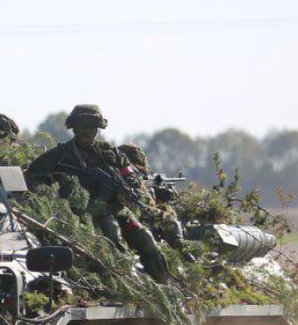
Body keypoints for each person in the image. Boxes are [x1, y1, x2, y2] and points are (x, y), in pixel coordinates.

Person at [25, 105, 172, 283]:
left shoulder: (112, 154)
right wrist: (57, 195)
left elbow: (131, 178)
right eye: (83, 128)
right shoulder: (59, 156)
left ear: (98, 129)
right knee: (111, 236)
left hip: (114, 209)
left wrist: (129, 193)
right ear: (75, 129)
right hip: (77, 216)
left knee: (146, 239)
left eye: (92, 128)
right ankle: (118, 282)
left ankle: (164, 286)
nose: (88, 132)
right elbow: (32, 177)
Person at [118, 143, 188, 252]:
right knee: (171, 218)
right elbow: (144, 201)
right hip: (136, 217)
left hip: (131, 217)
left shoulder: (121, 172)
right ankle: (182, 250)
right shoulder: (131, 176)